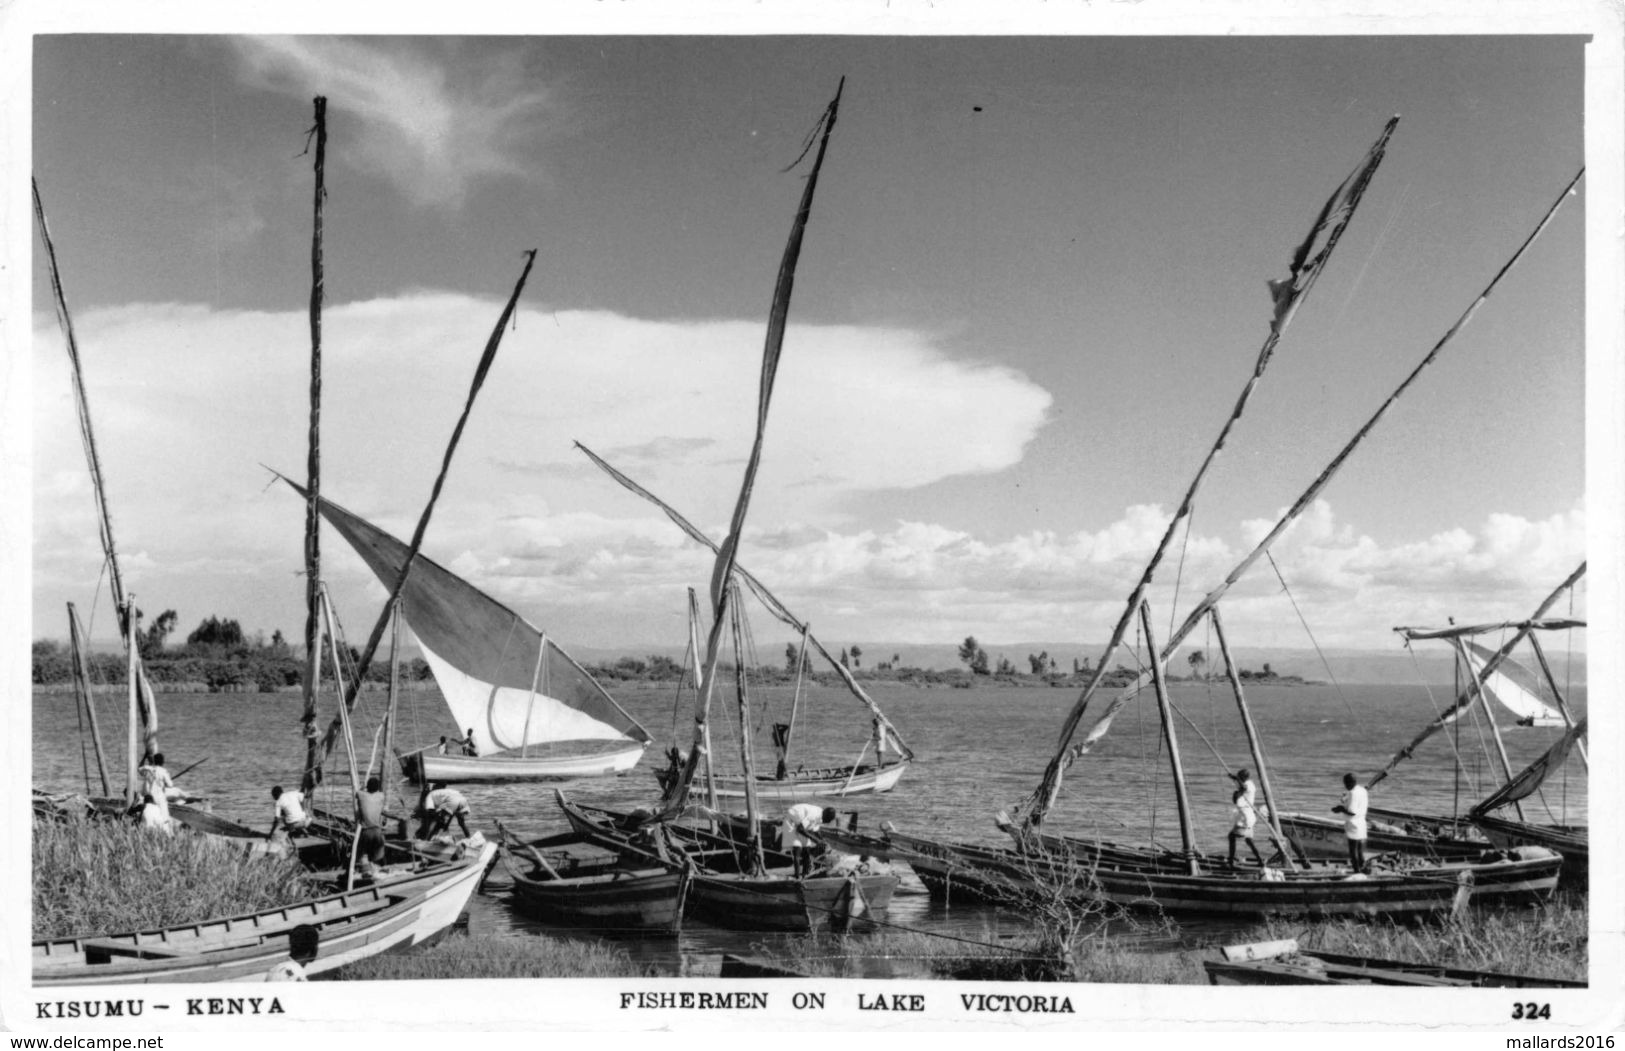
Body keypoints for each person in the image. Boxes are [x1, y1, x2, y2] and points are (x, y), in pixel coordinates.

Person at [781, 803, 836, 879]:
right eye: (826, 821)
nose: (825, 822)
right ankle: (797, 878)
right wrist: (816, 840)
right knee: (798, 848)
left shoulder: (821, 815)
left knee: (807, 850)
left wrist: (822, 840)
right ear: (825, 815)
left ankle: (805, 875)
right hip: (792, 820)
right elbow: (800, 829)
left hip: (801, 825)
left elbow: (815, 831)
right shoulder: (814, 815)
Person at [1226, 768, 1267, 868]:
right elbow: (1241, 785)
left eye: (1239, 777)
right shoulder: (1249, 783)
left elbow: (1243, 787)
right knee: (1248, 840)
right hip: (1249, 817)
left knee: (1231, 837)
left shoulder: (1247, 786)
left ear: (1243, 778)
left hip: (1245, 818)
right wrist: (1234, 778)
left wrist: (1236, 778)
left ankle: (1231, 861)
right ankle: (1260, 860)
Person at [1331, 772, 1370, 872]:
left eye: (1346, 784)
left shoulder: (1353, 793)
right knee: (1360, 850)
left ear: (1350, 783)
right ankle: (1364, 869)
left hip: (1353, 824)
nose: (1345, 786)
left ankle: (1357, 871)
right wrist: (1346, 800)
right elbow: (1356, 805)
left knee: (1353, 850)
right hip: (1362, 823)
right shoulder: (1362, 790)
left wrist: (1340, 809)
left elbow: (1352, 812)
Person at [356, 775, 388, 872]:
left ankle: (364, 870)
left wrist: (362, 787)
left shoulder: (361, 795)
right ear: (378, 788)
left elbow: (357, 792)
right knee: (378, 856)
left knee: (361, 854)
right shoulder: (381, 796)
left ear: (367, 787)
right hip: (378, 832)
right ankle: (379, 869)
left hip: (366, 832)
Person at [137, 752, 178, 822]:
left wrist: (144, 757)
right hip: (159, 798)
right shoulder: (163, 771)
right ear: (162, 762)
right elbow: (170, 785)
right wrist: (164, 783)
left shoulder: (147, 769)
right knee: (164, 818)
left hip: (149, 798)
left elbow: (139, 769)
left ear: (154, 761)